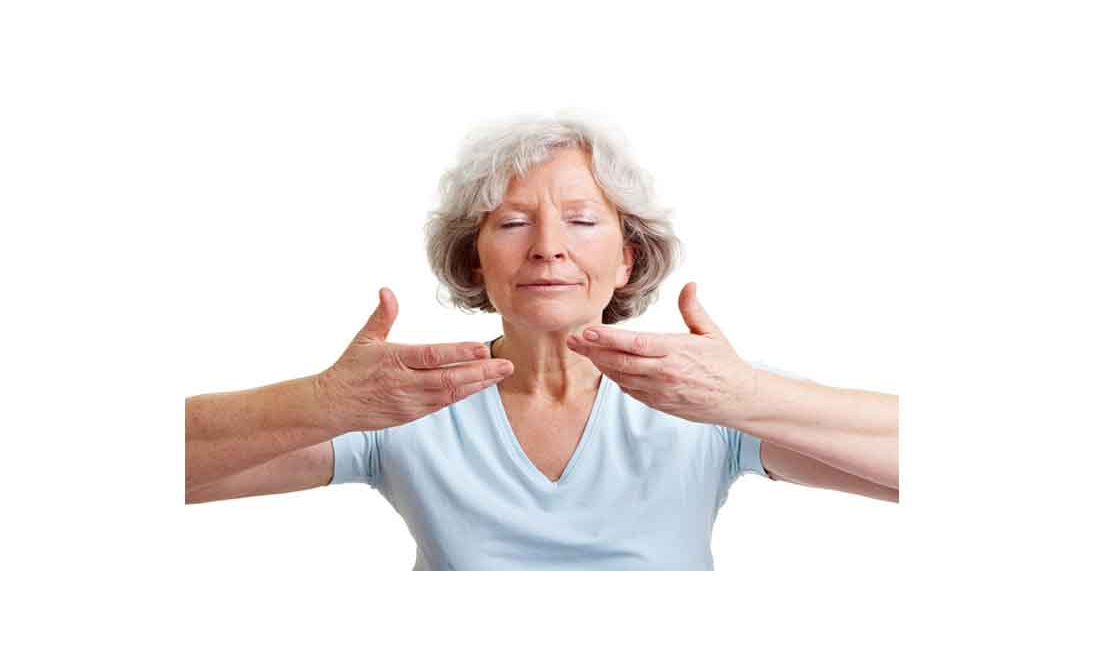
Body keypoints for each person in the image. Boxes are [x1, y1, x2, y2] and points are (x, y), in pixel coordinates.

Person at [185, 113, 899, 570]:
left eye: (582, 221)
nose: (548, 247)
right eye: (512, 222)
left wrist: (750, 396)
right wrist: (323, 402)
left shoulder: (703, 392)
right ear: (474, 261)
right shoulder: (401, 402)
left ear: (626, 260)